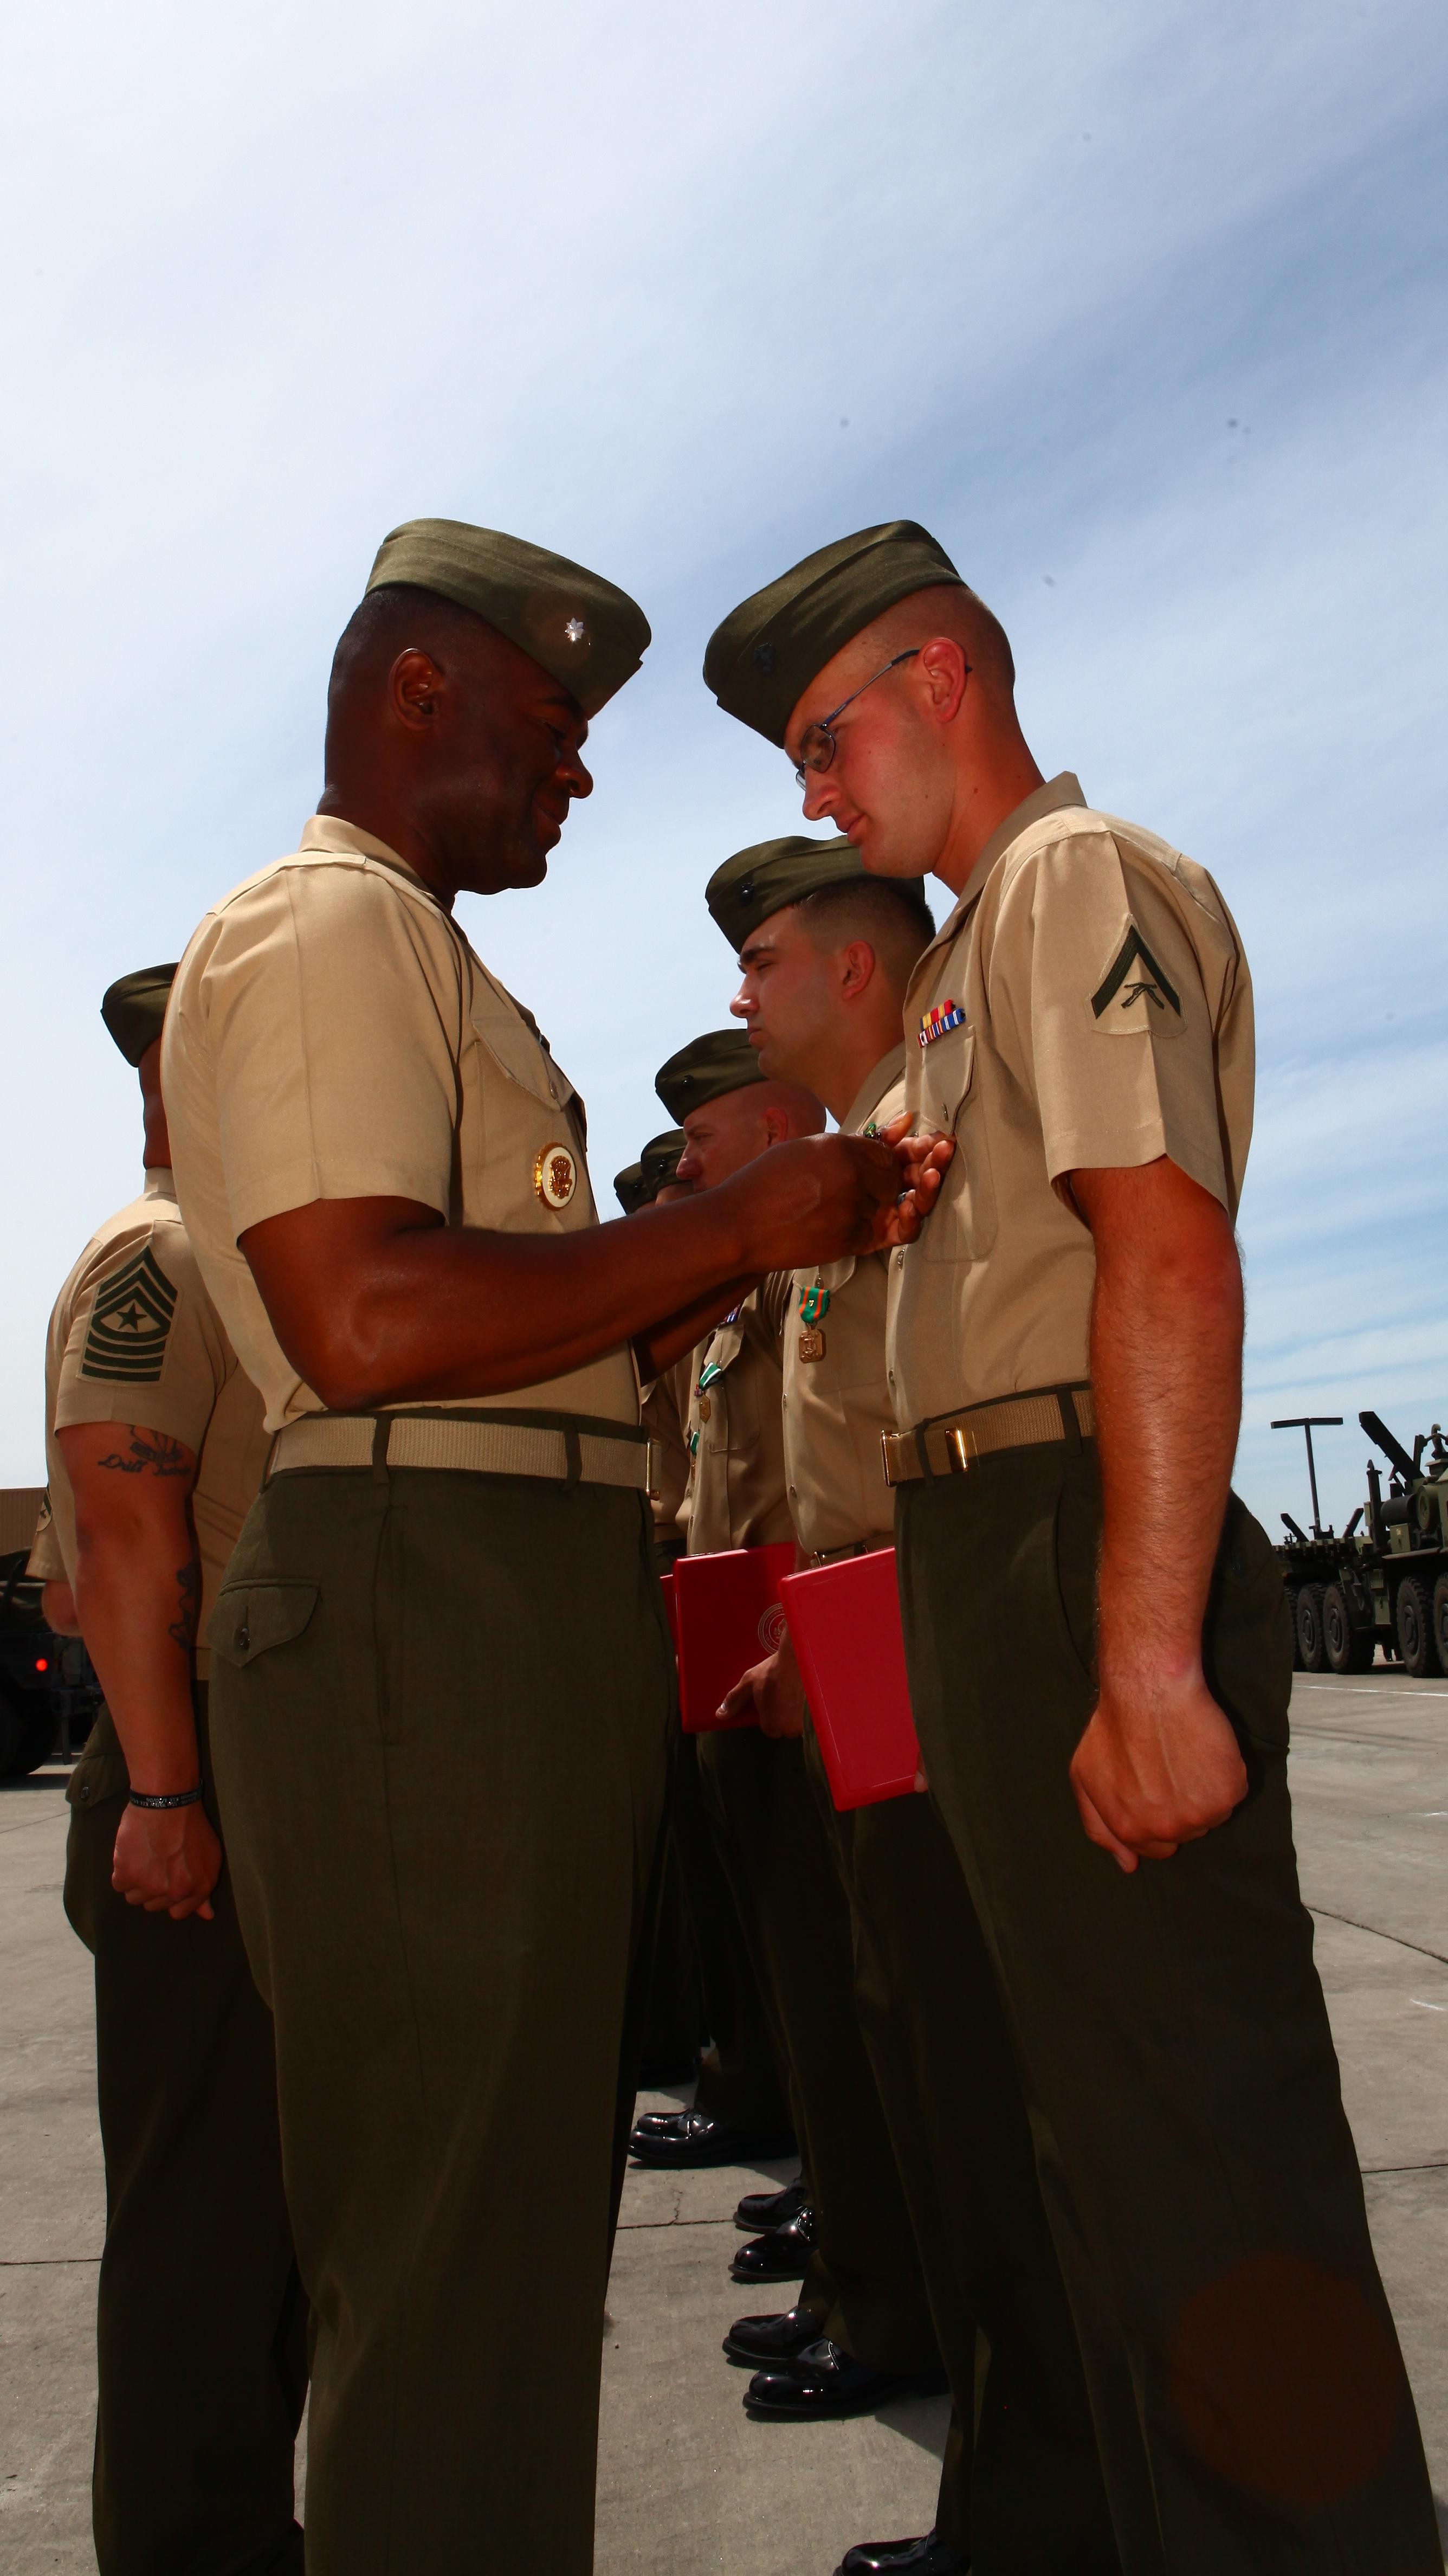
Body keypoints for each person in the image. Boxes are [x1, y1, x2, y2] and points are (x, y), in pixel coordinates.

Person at [160, 518, 935, 2575]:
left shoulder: (417, 951)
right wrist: (740, 1222)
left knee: (494, 2266)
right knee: (455, 2282)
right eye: (554, 719)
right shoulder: (331, 929)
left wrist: (737, 1257)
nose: (581, 769)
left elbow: (522, 1337)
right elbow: (365, 1315)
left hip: (484, 1591)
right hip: (428, 1599)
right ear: (418, 690)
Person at [704, 521, 1441, 2572]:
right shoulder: (970, 954)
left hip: (1070, 1527)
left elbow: (1167, 1256)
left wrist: (1146, 1660)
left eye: (828, 738)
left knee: (1203, 2162)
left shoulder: (1071, 881)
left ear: (943, 680)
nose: (818, 795)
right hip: (982, 1544)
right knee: (1084, 2147)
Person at [709, 834, 1119, 2575]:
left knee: (977, 2080)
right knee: (923, 2060)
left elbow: (921, 1437)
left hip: (923, 1629)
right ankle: (1019, 2489)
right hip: (864, 1638)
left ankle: (1042, 2511)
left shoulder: (914, 1140)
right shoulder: (865, 1153)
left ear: (856, 969)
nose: (742, 993)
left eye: (766, 961)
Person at [27, 965, 306, 2576]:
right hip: (188, 1765)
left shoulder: (245, 1250)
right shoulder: (168, 1254)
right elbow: (120, 1554)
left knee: (260, 2209)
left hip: (219, 1759)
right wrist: (166, 1794)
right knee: (207, 2224)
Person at [632, 1025, 947, 2423]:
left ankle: (880, 2273)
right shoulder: (749, 1274)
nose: (685, 1172)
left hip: (818, 1617)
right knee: (808, 1963)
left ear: (770, 1133)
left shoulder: (835, 1215)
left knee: (855, 1978)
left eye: (701, 1144)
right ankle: (855, 2247)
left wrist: (790, 1633)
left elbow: (832, 1453)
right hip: (758, 1628)